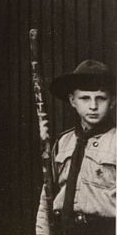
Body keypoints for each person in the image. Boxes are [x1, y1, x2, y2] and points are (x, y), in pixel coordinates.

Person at [35, 60, 115, 235]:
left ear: (112, 101)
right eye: (85, 98)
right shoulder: (63, 143)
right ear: (73, 101)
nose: (93, 106)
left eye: (100, 98)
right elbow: (47, 198)